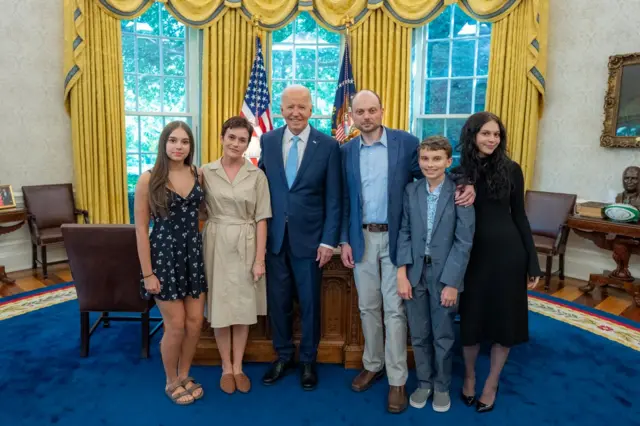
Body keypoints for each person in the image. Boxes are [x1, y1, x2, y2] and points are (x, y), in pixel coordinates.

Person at [339, 90, 475, 413]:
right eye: (361, 112)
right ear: (353, 116)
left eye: (373, 110)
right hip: (361, 239)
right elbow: (343, 198)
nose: (367, 116)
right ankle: (373, 364)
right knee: (367, 307)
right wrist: (344, 238)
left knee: (394, 309)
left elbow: (434, 169)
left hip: (398, 239)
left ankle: (397, 378)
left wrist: (465, 182)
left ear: (382, 111)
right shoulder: (345, 150)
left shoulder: (405, 142)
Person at [456, 111, 541, 413]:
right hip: (472, 257)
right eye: (486, 134)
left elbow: (519, 216)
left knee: (505, 321)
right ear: (473, 135)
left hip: (508, 255)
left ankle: (491, 382)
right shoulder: (459, 170)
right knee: (472, 320)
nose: (492, 139)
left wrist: (533, 261)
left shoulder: (511, 169)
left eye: (497, 135)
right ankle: (469, 376)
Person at [258, 85, 342, 390]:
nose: (296, 113)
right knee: (278, 303)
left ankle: (308, 360)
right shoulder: (267, 140)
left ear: (311, 109)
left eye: (302, 107)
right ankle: (282, 356)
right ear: (281, 109)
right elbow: (259, 185)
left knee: (309, 305)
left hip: (311, 242)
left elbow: (335, 198)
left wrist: (328, 241)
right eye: (290, 107)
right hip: (275, 240)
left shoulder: (329, 145)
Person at [396, 136, 475, 413]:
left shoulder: (460, 192)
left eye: (437, 159)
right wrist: (402, 273)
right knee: (418, 334)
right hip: (415, 272)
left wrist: (452, 283)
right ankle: (424, 382)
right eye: (425, 159)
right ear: (419, 161)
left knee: (442, 335)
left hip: (445, 275)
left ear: (448, 162)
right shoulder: (411, 191)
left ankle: (441, 385)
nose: (430, 164)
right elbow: (404, 232)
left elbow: (464, 241)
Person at [134, 120, 207, 405]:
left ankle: (185, 374)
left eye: (185, 141)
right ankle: (171, 380)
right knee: (175, 325)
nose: (179, 146)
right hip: (163, 256)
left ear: (191, 146)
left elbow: (203, 213)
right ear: (164, 144)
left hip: (193, 256)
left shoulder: (197, 174)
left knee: (195, 322)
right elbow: (141, 228)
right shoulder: (148, 179)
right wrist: (147, 274)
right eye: (173, 140)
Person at [200, 116, 272, 394]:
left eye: (242, 139)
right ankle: (225, 367)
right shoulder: (205, 172)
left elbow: (262, 219)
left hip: (247, 242)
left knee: (242, 309)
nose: (236, 143)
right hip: (215, 241)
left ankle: (238, 366)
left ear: (247, 143)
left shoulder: (257, 175)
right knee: (220, 306)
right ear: (222, 137)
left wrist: (259, 259)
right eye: (231, 137)